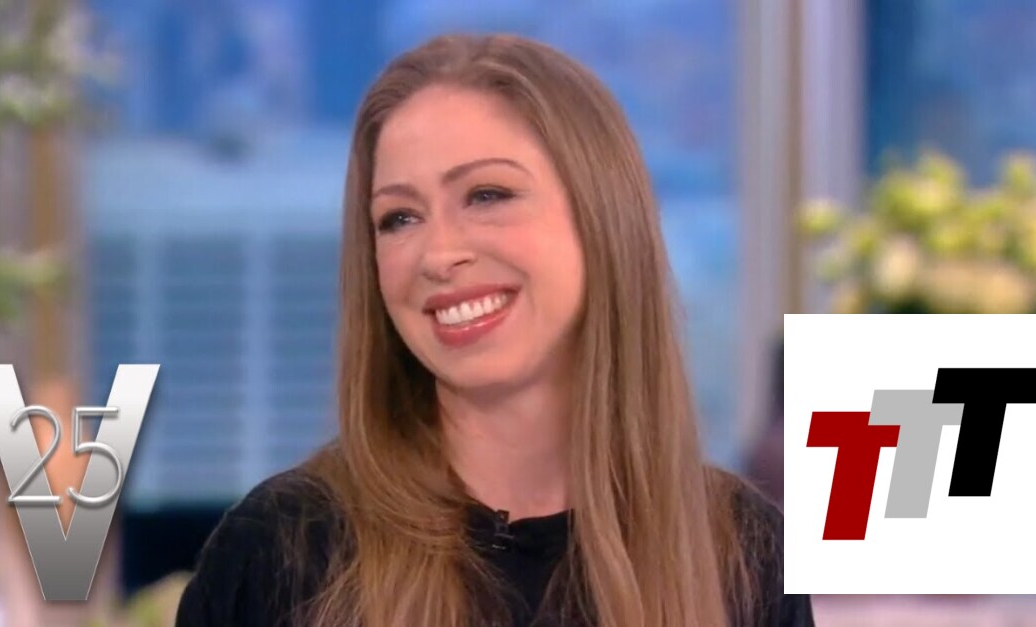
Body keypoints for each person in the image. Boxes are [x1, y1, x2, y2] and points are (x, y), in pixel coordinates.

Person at [175, 33, 815, 627]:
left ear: (602, 218)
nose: (437, 254)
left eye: (487, 195)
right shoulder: (277, 553)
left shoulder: (739, 551)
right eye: (399, 218)